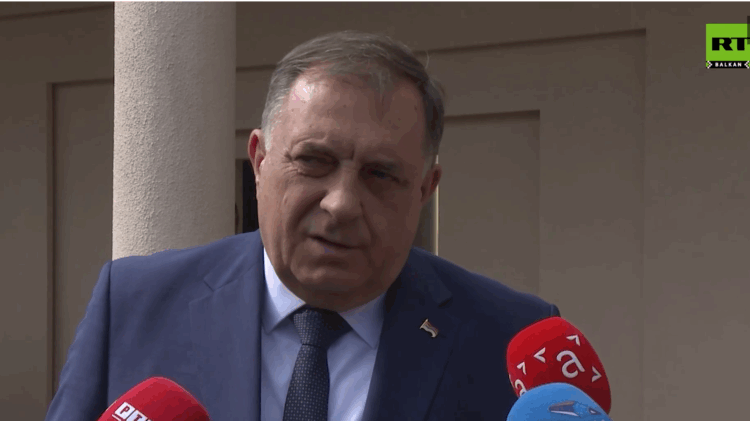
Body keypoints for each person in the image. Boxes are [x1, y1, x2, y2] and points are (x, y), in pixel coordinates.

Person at [45, 30, 559, 421]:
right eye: (314, 161)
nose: (341, 204)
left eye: (381, 174)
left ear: (426, 188)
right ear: (260, 160)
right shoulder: (133, 305)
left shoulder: (514, 339)